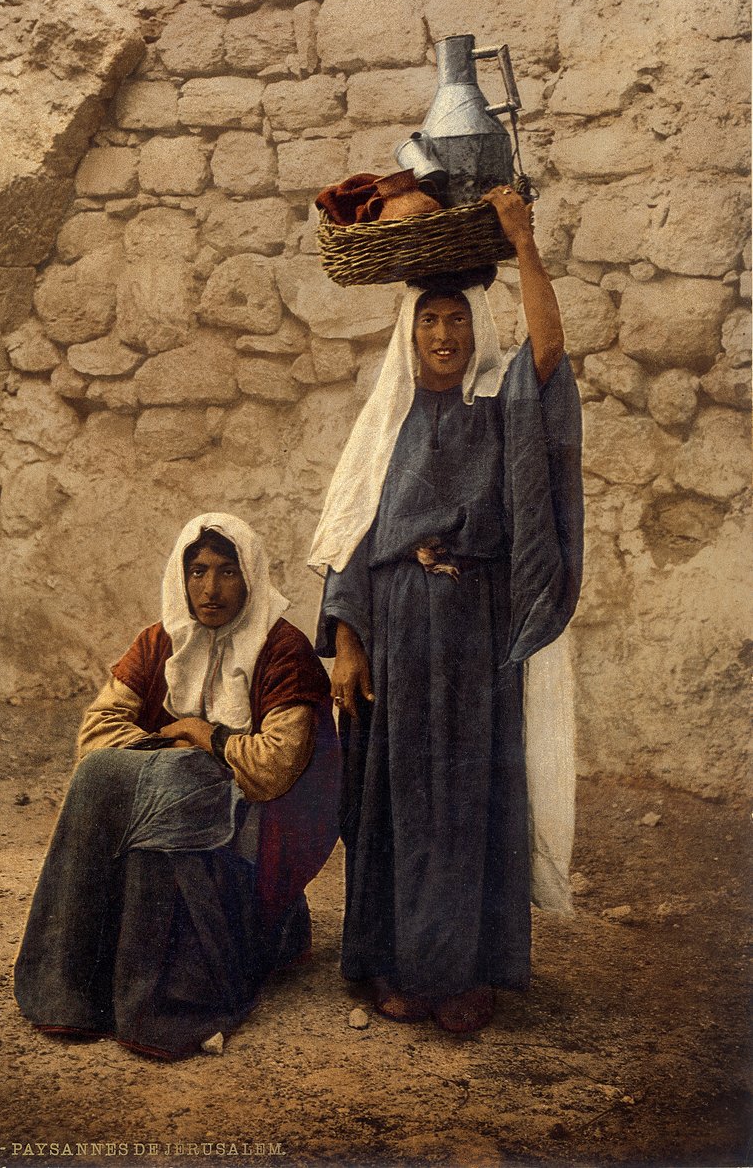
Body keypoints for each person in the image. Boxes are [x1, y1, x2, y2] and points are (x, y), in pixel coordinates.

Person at [309, 186, 583, 1033]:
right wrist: (348, 643)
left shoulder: (501, 408)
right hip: (397, 637)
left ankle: (466, 974)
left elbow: (549, 352)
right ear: (408, 332)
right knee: (398, 804)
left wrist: (521, 243)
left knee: (472, 802)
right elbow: (352, 529)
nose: (442, 336)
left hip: (475, 637)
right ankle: (399, 968)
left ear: (474, 328)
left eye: (456, 320)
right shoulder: (385, 423)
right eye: (428, 320)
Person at [14, 513, 339, 1059]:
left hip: (261, 812)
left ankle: (162, 1003)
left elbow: (277, 764)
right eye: (197, 572)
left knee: (171, 782)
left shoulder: (283, 648)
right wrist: (181, 751)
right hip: (175, 786)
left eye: (228, 571)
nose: (210, 589)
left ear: (252, 576)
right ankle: (70, 988)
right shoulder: (160, 640)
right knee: (101, 774)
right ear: (181, 577)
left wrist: (202, 735)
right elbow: (96, 733)